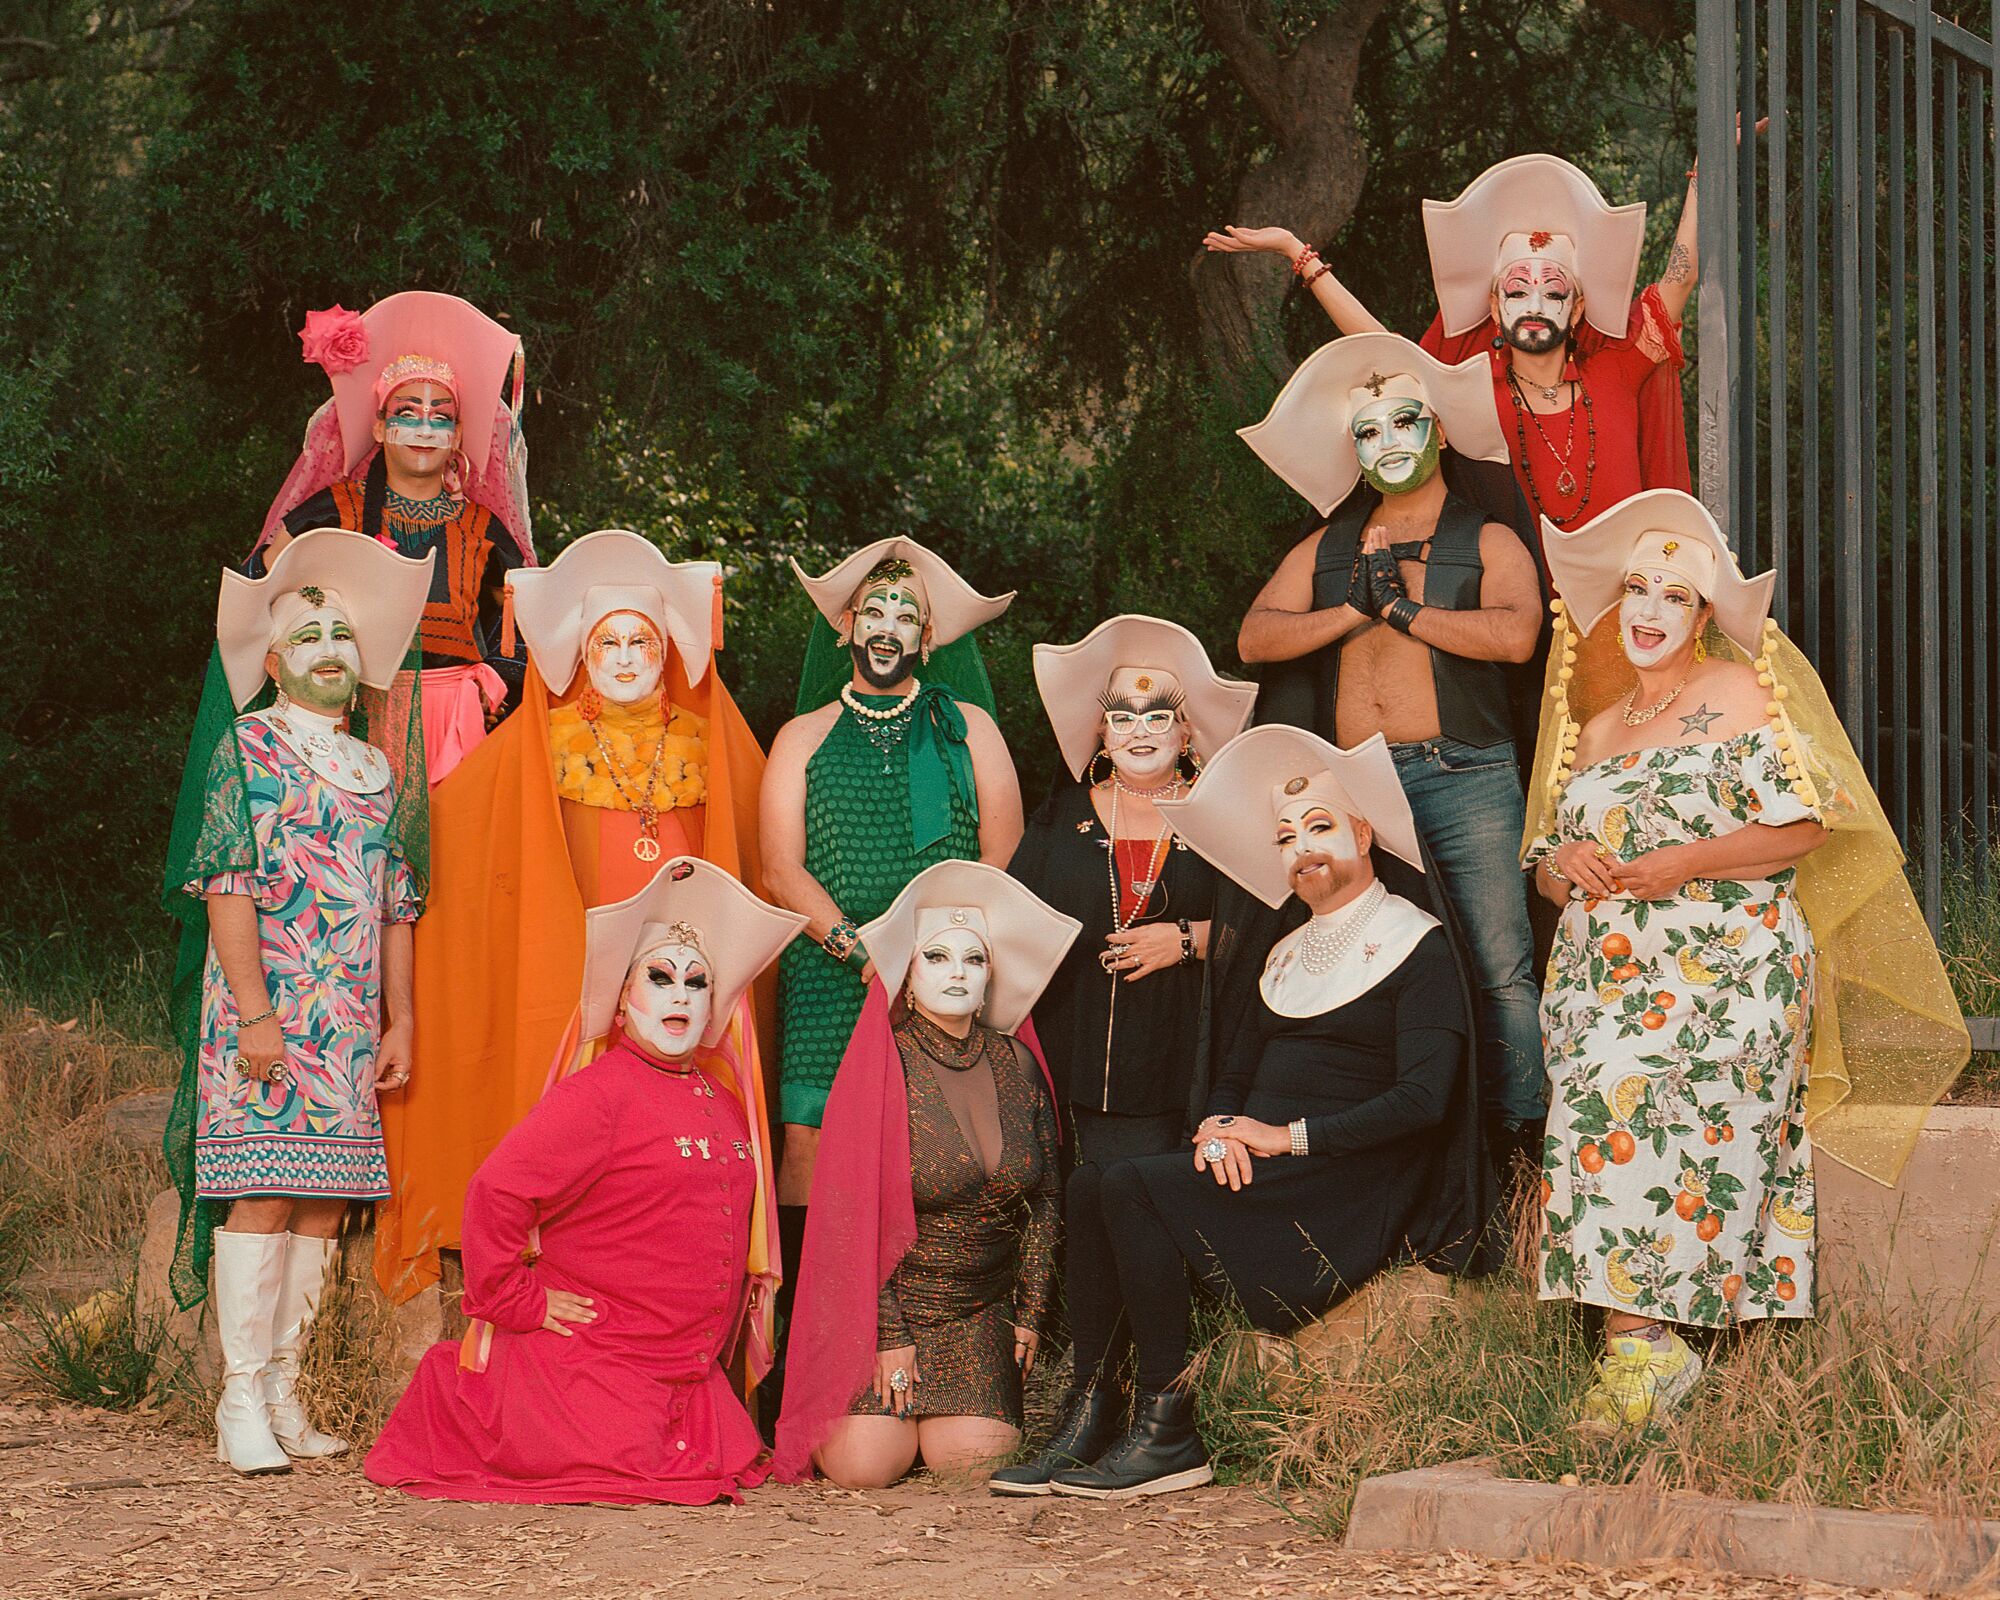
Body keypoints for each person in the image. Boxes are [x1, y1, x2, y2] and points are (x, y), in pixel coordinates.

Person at [1524, 489, 1969, 1428]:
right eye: (1636, 589)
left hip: (1724, 965)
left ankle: (1640, 1353)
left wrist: (1679, 864)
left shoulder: (1738, 695)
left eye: (1674, 596)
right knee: (1593, 1115)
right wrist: (1561, 860)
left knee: (1629, 1098)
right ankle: (1647, 1353)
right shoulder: (1597, 730)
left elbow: (1807, 822)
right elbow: (1551, 872)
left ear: (1703, 617)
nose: (1647, 610)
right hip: (1602, 980)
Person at [1033, 726, 1493, 1499]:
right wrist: (1218, 1127)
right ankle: (1094, 1407)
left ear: (1364, 833)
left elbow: (1423, 1101)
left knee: (1132, 1185)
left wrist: (1283, 1139)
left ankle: (1168, 1426)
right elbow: (1235, 1072)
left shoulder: (1421, 945)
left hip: (1346, 1187)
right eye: (1285, 838)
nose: (1301, 849)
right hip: (1271, 1172)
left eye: (1320, 827)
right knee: (1092, 1182)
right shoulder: (1283, 948)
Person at [370, 529, 771, 1305]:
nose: (624, 658)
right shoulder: (537, 744)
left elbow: (759, 855)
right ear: (582, 655)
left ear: (667, 654)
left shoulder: (710, 742)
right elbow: (450, 833)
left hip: (680, 976)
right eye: (606, 642)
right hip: (576, 968)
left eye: (641, 643)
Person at [365, 857, 805, 1503]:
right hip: (600, 1363)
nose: (680, 994)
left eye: (697, 982)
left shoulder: (724, 1095)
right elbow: (497, 1191)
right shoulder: (597, 1095)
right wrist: (520, 1299)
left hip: (687, 1375)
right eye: (659, 978)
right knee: (624, 1471)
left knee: (711, 1470)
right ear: (624, 1002)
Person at [1236, 333, 1546, 1170]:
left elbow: (1519, 635)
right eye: (1369, 431)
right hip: (1358, 793)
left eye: (1406, 420)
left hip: (1464, 774)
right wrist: (1354, 610)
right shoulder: (1331, 547)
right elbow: (1256, 637)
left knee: (1497, 964)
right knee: (1380, 971)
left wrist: (1405, 611)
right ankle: (1400, 1144)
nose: (1390, 442)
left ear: (1438, 431)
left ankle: (1516, 1146)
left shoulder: (1487, 538)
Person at [161, 530, 435, 1475]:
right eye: (308, 635)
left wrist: (400, 1017)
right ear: (273, 661)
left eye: (343, 636)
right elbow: (229, 884)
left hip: (350, 1021)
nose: (329, 650)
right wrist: (255, 1012)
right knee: (266, 1193)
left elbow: (398, 902)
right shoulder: (248, 748)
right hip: (270, 1008)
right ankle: (240, 1393)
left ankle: (287, 1386)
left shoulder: (381, 770)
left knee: (326, 1203)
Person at [991, 614, 1256, 1494]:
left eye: (1160, 712)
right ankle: (1093, 1410)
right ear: (1100, 731)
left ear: (1188, 730)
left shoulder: (1220, 816)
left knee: (1139, 1224)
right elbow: (1013, 926)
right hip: (1079, 1072)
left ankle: (1161, 1412)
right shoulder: (1063, 816)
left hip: (1178, 1070)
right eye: (1122, 713)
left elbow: (1271, 930)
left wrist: (1186, 938)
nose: (1140, 727)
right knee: (1090, 1222)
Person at [760, 537, 1024, 1376]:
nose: (887, 625)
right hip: (827, 968)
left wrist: (922, 953)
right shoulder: (801, 736)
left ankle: (933, 1351)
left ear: (927, 636)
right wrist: (856, 944)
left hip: (937, 971)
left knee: (935, 1143)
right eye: (872, 609)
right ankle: (810, 1360)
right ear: (844, 626)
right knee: (808, 1138)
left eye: (904, 614)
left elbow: (1001, 845)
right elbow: (778, 866)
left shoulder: (969, 727)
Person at [1206, 151, 1694, 557]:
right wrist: (1299, 255)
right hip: (1516, 612)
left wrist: (1704, 176)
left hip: (1625, 611)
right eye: (1518, 292)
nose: (1536, 307)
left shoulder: (1618, 366)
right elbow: (1381, 346)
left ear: (1578, 306)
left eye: (1554, 293)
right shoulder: (1470, 388)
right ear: (1494, 305)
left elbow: (1681, 278)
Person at [774, 860, 1078, 1487]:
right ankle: (884, 1414)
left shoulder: (1016, 1063)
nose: (958, 973)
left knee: (973, 1467)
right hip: (885, 1309)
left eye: (973, 959)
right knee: (865, 1469)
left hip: (979, 1312)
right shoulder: (882, 1067)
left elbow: (1046, 1199)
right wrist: (889, 1338)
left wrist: (1029, 1313)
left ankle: (938, 1420)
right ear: (906, 977)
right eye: (936, 958)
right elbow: (852, 1221)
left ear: (992, 975)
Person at [255, 292, 537, 782]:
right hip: (348, 719)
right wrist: (275, 565)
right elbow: (258, 592)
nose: (424, 429)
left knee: (454, 852)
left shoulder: (482, 529)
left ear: (455, 436)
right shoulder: (334, 511)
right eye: (408, 413)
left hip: (458, 727)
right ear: (381, 428)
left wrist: (492, 683)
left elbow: (527, 616)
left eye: (441, 417)